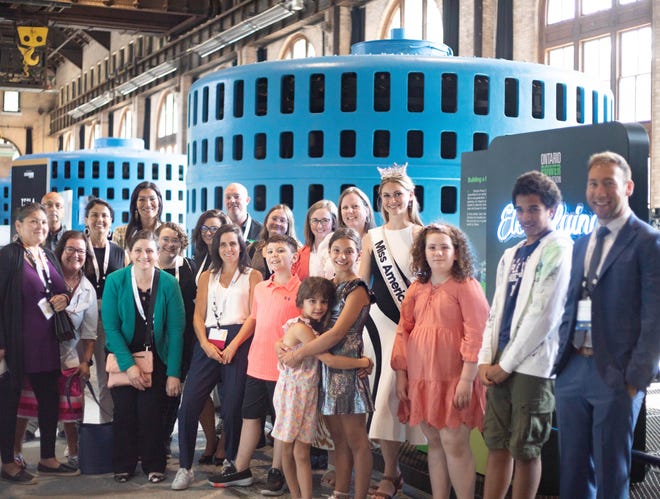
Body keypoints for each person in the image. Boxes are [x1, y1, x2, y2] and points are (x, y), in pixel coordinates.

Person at [553, 151, 660, 499]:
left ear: (627, 187)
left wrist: (635, 380)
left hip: (615, 375)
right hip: (572, 369)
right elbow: (572, 302)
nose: (599, 191)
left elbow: (654, 317)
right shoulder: (582, 242)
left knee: (612, 472)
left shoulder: (648, 241)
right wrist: (560, 360)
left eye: (608, 183)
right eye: (593, 183)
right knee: (572, 470)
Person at [477, 171, 572, 499]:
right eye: (519, 209)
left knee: (526, 449)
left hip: (532, 367)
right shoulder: (511, 253)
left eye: (533, 209)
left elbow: (544, 315)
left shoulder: (559, 247)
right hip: (499, 361)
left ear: (552, 210)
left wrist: (507, 363)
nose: (525, 217)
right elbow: (496, 310)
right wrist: (484, 360)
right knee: (497, 444)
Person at [393, 224, 489, 499]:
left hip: (454, 378)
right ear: (423, 253)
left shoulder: (466, 286)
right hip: (422, 378)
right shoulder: (417, 288)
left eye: (444, 247)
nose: (438, 253)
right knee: (434, 441)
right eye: (432, 247)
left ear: (456, 253)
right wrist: (402, 374)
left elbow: (476, 334)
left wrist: (467, 380)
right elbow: (404, 329)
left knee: (454, 443)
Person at [281, 228, 375, 499]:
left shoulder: (357, 289)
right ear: (329, 253)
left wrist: (299, 354)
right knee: (338, 440)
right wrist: (284, 345)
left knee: (357, 440)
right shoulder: (329, 286)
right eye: (337, 250)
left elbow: (336, 333)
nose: (342, 256)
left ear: (357, 254)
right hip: (324, 369)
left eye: (348, 251)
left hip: (346, 367)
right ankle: (340, 492)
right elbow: (306, 323)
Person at [208, 234, 301, 496]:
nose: (274, 256)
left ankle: (277, 470)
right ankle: (241, 467)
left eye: (280, 251)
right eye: (270, 252)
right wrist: (235, 344)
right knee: (250, 417)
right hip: (256, 365)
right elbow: (253, 319)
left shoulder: (302, 290)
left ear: (294, 257)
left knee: (281, 423)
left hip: (285, 369)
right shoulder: (261, 288)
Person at [172, 224, 262, 490]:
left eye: (233, 244)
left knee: (233, 405)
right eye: (223, 245)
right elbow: (198, 316)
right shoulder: (207, 277)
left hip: (240, 340)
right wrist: (205, 344)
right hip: (209, 341)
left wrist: (234, 345)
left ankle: (232, 462)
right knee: (188, 404)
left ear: (241, 246)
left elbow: (254, 316)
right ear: (216, 249)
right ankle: (185, 467)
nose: (228, 249)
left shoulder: (252, 275)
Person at [359, 163, 424, 497]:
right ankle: (391, 470)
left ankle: (401, 469)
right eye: (386, 196)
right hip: (380, 325)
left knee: (406, 396)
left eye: (398, 194)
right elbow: (360, 283)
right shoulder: (373, 238)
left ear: (410, 196)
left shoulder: (424, 236)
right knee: (383, 395)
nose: (392, 200)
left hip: (416, 327)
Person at [0, 203, 77, 484]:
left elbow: (60, 289)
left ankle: (47, 458)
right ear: (18, 226)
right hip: (16, 343)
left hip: (46, 342)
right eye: (33, 222)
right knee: (8, 403)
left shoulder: (46, 254)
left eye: (44, 222)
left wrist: (64, 299)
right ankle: (8, 462)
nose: (40, 227)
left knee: (48, 401)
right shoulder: (8, 255)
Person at [102, 230, 185, 484]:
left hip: (156, 358)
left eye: (149, 250)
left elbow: (176, 331)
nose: (144, 256)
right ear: (128, 253)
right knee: (124, 411)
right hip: (123, 358)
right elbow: (112, 329)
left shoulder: (169, 283)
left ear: (157, 254)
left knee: (151, 413)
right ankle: (123, 465)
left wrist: (173, 373)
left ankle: (154, 464)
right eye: (138, 250)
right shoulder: (115, 281)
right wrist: (130, 367)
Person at [14, 231, 98, 470]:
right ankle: (15, 451)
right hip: (38, 352)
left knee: (70, 410)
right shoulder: (44, 276)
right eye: (70, 249)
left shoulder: (88, 290)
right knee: (26, 406)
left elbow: (90, 333)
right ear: (60, 251)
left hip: (69, 357)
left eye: (81, 251)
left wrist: (85, 362)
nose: (75, 255)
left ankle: (73, 453)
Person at [155, 223, 202, 458]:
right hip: (154, 339)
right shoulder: (147, 266)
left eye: (175, 239)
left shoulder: (190, 267)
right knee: (155, 391)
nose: (170, 244)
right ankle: (150, 439)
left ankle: (164, 439)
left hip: (183, 338)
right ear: (157, 240)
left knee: (173, 390)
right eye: (165, 239)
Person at [83, 198, 125, 423]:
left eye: (104, 216)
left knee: (106, 377)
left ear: (111, 221)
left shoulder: (119, 252)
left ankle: (107, 430)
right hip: (81, 320)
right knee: (77, 378)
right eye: (95, 215)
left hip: (110, 320)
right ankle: (75, 441)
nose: (100, 220)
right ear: (86, 220)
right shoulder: (78, 246)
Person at [248, 204, 298, 280]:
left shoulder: (298, 250)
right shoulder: (253, 248)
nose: (277, 223)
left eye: (282, 220)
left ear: (289, 225)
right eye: (274, 219)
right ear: (266, 222)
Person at [112, 181, 163, 249]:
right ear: (135, 204)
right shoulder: (120, 233)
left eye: (152, 199)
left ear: (159, 203)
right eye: (142, 199)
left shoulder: (168, 232)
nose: (147, 204)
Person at [294, 200, 337, 280]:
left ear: (333, 222)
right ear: (309, 223)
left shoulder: (342, 253)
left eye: (325, 220)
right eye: (315, 221)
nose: (319, 226)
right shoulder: (299, 255)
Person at [191, 209, 230, 283]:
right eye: (204, 228)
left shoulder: (228, 258)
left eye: (214, 229)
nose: (208, 233)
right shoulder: (199, 255)